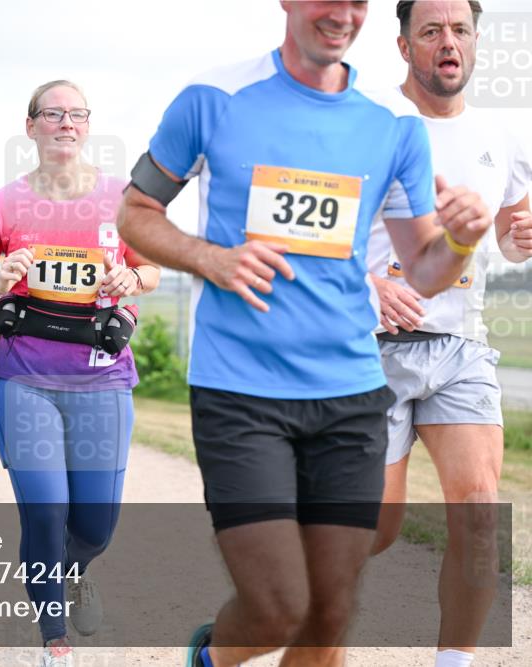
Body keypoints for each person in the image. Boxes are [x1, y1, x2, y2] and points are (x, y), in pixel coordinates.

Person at [115, 2, 494, 666]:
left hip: (350, 394)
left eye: (358, 0)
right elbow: (136, 211)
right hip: (240, 392)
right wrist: (210, 257)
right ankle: (208, 657)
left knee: (329, 611)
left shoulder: (394, 123)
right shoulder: (213, 99)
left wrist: (461, 237)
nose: (343, 13)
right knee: (277, 605)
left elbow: (428, 268)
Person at [0, 80, 160, 666]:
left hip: (102, 378)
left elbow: (152, 271)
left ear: (88, 126)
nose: (66, 122)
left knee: (95, 524)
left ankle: (76, 570)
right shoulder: (3, 205)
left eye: (77, 114)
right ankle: (54, 640)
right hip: (25, 380)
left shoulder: (122, 197)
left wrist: (131, 280)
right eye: (54, 113)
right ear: (31, 125)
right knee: (45, 509)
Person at [362, 3, 531, 666]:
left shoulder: (503, 135)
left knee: (480, 512)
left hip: (459, 347)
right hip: (370, 348)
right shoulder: (367, 123)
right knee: (373, 529)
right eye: (431, 30)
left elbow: (513, 231)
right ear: (404, 45)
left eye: (459, 29)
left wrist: (520, 240)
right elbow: (315, 236)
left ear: (477, 42)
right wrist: (370, 287)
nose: (447, 42)